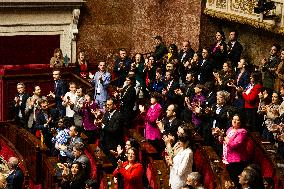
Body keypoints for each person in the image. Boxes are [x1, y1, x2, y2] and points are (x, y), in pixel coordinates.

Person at [213, 114, 249, 187]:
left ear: (241, 122)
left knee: (235, 181)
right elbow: (222, 141)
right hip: (227, 158)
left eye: (237, 120)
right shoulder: (230, 129)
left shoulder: (242, 132)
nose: (234, 121)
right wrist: (219, 135)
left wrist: (223, 135)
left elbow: (233, 145)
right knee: (227, 180)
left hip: (236, 161)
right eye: (233, 119)